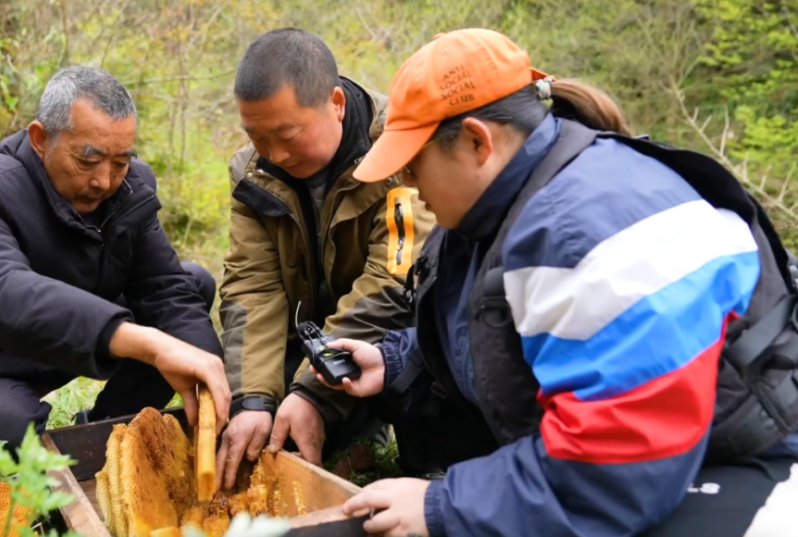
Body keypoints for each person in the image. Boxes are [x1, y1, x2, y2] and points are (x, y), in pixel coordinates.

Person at [314, 29, 798, 536]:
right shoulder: (497, 209)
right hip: (651, 457)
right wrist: (399, 362)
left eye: (413, 164)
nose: (406, 183)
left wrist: (444, 506)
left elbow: (617, 468)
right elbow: (519, 331)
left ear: (478, 141)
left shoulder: (586, 230)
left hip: (739, 459)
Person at [0, 66, 230, 449]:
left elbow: (164, 288)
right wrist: (149, 344)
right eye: (87, 161)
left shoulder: (129, 188)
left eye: (120, 163)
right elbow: (4, 293)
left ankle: (108, 432)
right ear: (41, 138)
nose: (104, 182)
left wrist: (211, 379)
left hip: (77, 340)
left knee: (192, 285)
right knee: (7, 431)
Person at [215, 28, 437, 488]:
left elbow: (393, 283)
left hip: (377, 341)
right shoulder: (252, 175)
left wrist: (313, 392)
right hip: (306, 337)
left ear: (336, 103)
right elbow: (252, 287)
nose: (274, 154)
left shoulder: (398, 156)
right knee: (249, 406)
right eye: (255, 135)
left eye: (287, 134)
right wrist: (253, 401)